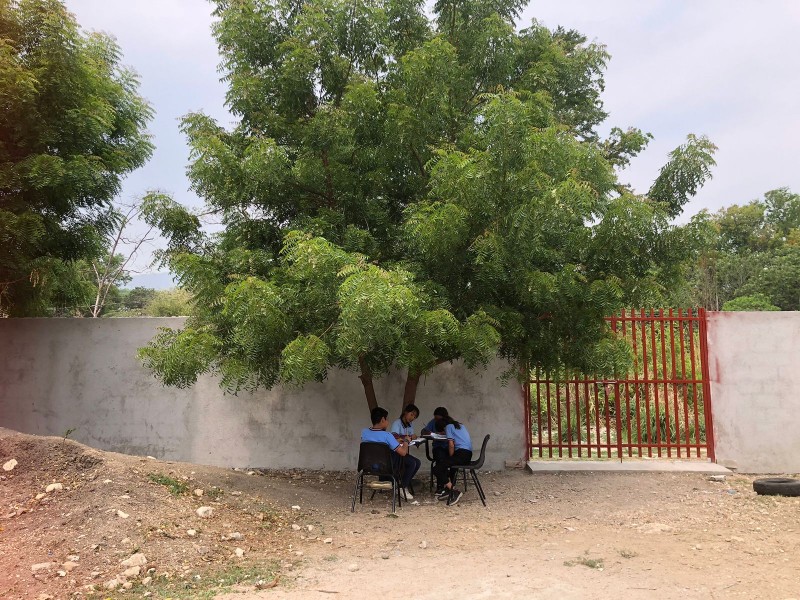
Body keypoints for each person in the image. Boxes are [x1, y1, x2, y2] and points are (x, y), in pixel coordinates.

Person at [361, 406, 420, 501]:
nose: (388, 422)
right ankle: (401, 487)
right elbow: (403, 453)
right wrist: (405, 441)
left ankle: (394, 484)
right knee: (413, 462)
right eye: (387, 419)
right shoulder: (387, 436)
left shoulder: (364, 432)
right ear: (383, 420)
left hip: (369, 466)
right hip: (387, 466)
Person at [432, 415, 473, 506]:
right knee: (450, 466)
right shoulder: (460, 425)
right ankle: (448, 488)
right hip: (467, 454)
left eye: (443, 432)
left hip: (461, 454)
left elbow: (451, 445)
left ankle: (453, 491)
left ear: (443, 427)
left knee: (436, 469)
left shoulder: (448, 427)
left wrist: (451, 457)